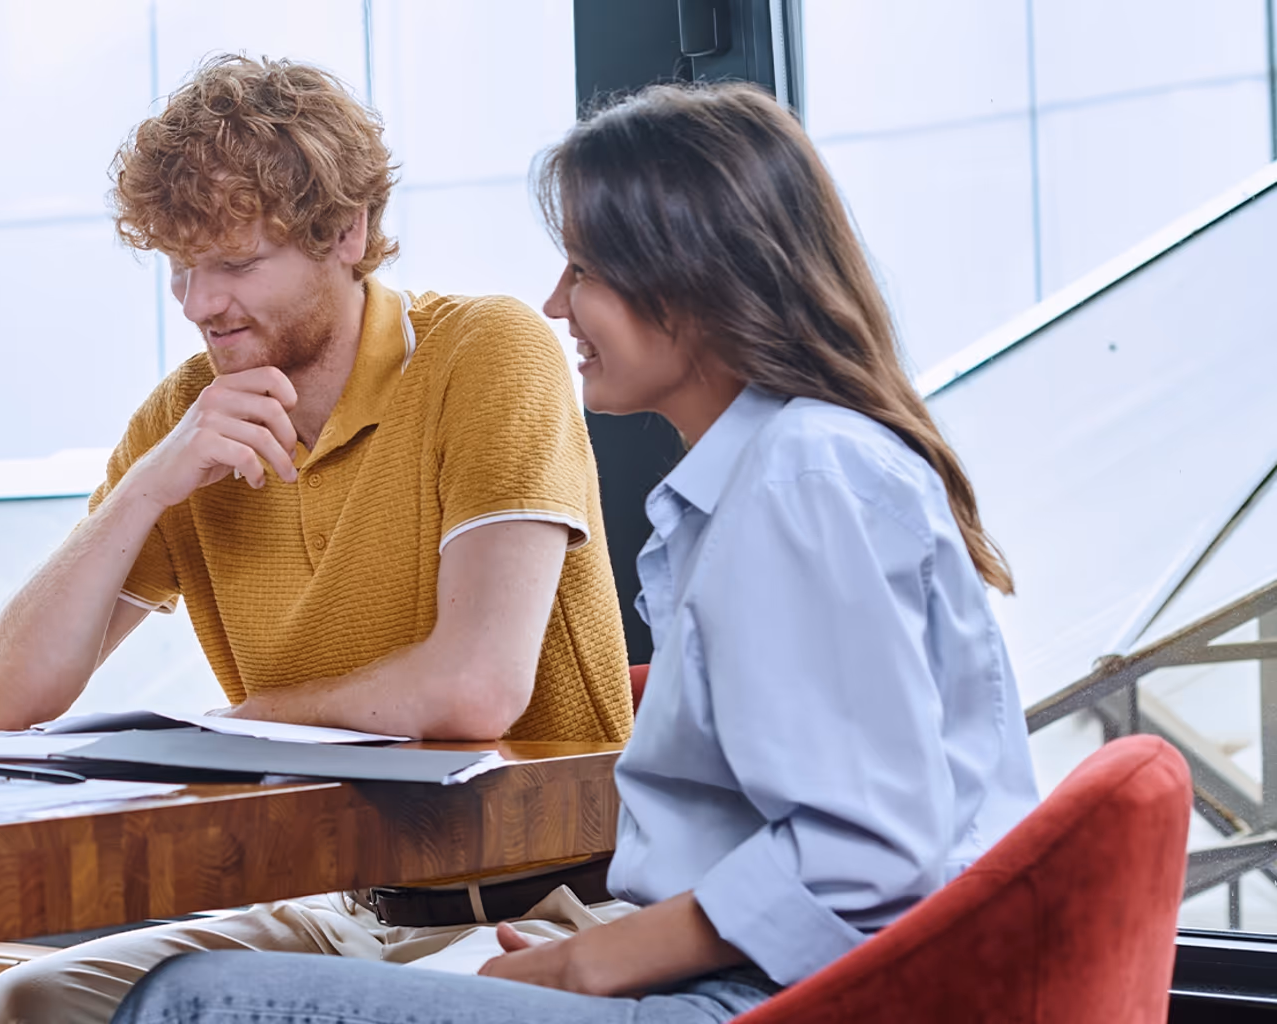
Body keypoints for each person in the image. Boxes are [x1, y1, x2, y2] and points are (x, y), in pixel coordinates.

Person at [105, 81, 1040, 1024]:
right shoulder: (761, 481)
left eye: (585, 270)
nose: (557, 302)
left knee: (196, 1002)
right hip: (720, 974)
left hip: (774, 1000)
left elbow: (868, 853)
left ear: (691, 279)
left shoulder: (807, 478)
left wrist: (583, 968)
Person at [0, 55, 631, 1023]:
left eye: (235, 264)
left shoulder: (488, 353)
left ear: (345, 232)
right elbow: (12, 696)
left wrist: (241, 725)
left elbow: (475, 685)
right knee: (28, 1002)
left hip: (551, 908)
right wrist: (149, 486)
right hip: (346, 905)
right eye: (180, 268)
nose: (199, 303)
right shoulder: (190, 420)